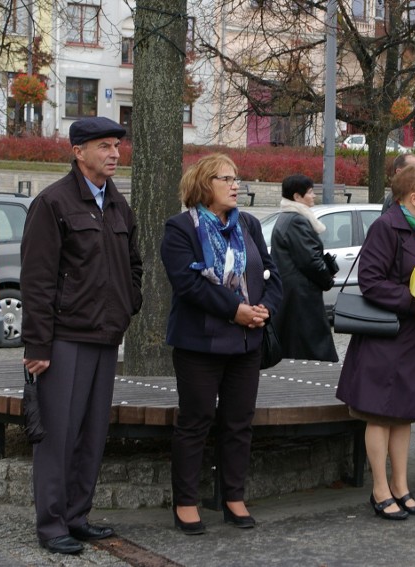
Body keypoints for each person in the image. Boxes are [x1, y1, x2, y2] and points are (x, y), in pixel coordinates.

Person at [21, 116, 143, 554]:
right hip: (64, 338)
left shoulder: (117, 204)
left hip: (105, 337)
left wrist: (130, 303)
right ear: (78, 152)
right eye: (104, 146)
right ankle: (51, 523)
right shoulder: (53, 203)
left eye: (116, 146)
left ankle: (77, 516)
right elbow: (36, 280)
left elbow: (134, 263)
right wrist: (36, 345)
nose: (114, 153)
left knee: (91, 434)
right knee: (59, 434)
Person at [160, 153, 282, 533]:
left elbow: (271, 272)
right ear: (203, 185)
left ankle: (233, 497)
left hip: (247, 342)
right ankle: (186, 502)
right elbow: (189, 284)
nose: (235, 185)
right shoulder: (181, 228)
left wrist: (264, 309)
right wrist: (236, 310)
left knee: (239, 423)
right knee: (195, 422)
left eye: (236, 178)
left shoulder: (248, 223)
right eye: (225, 179)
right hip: (200, 344)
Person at [336, 164, 415, 520]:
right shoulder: (387, 227)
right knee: (379, 415)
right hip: (386, 338)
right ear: (414, 199)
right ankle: (380, 489)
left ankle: (402, 486)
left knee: (404, 416)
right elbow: (370, 281)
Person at [270, 174, 338, 362]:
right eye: (309, 192)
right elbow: (310, 260)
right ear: (297, 197)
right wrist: (328, 279)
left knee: (295, 343)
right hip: (302, 295)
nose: (314, 196)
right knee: (311, 346)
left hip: (293, 293)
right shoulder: (296, 220)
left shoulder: (286, 218)